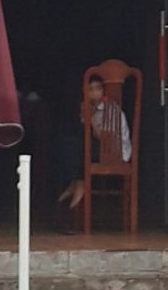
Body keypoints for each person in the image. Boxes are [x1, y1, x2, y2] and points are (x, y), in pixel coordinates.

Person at [57, 74, 133, 215]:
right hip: (98, 148)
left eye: (98, 88)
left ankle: (79, 184)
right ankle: (76, 182)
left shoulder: (111, 109)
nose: (94, 93)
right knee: (69, 143)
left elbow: (105, 140)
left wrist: (90, 118)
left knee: (76, 147)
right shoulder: (90, 107)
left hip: (116, 151)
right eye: (90, 89)